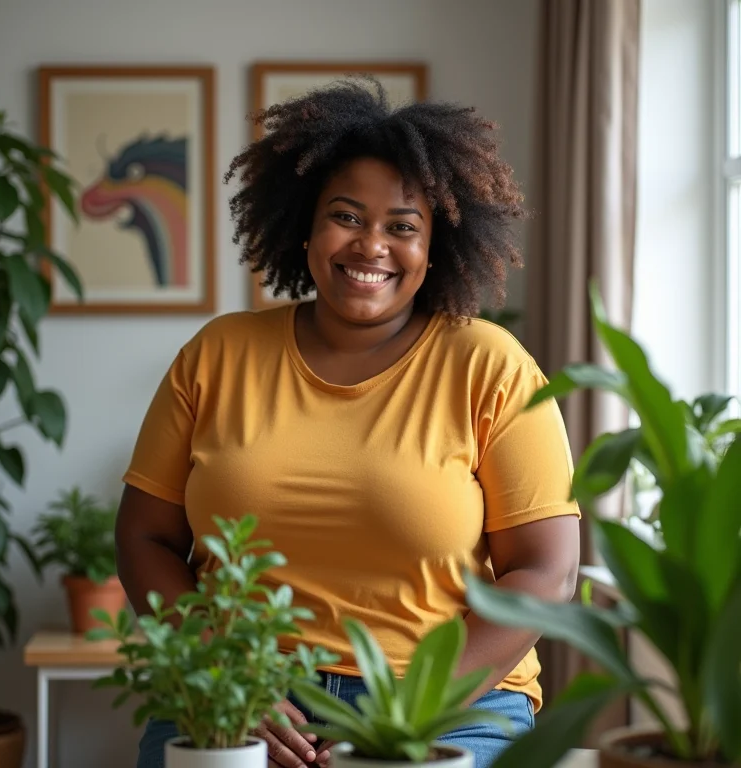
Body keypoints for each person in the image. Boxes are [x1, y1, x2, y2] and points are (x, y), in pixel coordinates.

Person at [118, 79, 581, 768]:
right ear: (306, 224)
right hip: (241, 693)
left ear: (435, 245)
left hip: (449, 701)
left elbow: (547, 571)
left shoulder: (491, 366)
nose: (371, 245)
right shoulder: (216, 355)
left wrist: (409, 712)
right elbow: (145, 536)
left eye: (402, 225)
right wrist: (228, 676)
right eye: (346, 215)